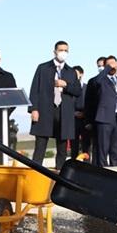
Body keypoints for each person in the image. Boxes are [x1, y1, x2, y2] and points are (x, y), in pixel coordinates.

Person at [28, 41, 81, 169]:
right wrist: (34, 109)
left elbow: (78, 91)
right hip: (45, 110)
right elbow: (34, 90)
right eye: (61, 50)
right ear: (55, 51)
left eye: (66, 50)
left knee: (62, 147)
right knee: (40, 145)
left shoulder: (71, 72)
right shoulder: (43, 68)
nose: (63, 52)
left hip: (63, 112)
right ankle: (36, 171)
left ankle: (60, 172)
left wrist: (65, 85)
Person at [84, 56, 117, 167]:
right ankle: (103, 170)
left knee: (115, 149)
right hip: (104, 118)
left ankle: (115, 169)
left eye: (114, 64)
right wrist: (108, 68)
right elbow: (97, 80)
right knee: (103, 148)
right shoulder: (101, 80)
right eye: (110, 65)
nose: (113, 66)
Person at [70, 66, 91, 161]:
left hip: (85, 120)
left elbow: (91, 103)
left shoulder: (88, 88)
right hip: (73, 121)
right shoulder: (70, 89)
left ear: (82, 74)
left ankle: (87, 165)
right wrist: (73, 113)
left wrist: (85, 114)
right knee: (73, 146)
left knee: (86, 145)